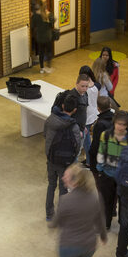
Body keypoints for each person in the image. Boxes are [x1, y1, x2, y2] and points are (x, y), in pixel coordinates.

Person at [44, 93, 82, 221]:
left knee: (51, 185)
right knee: (63, 189)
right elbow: (77, 146)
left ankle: (49, 214)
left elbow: (45, 135)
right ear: (75, 110)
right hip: (65, 163)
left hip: (51, 159)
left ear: (63, 106)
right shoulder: (74, 127)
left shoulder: (50, 119)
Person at [95, 110, 128, 230]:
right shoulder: (105, 135)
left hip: (123, 177)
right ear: (114, 122)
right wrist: (100, 170)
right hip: (107, 174)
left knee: (124, 204)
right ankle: (105, 224)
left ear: (127, 125)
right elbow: (101, 152)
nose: (121, 127)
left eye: (124, 124)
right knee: (106, 201)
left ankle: (124, 227)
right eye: (118, 123)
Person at [88, 96, 114, 176]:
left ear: (98, 108)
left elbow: (96, 142)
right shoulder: (115, 117)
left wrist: (91, 153)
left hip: (100, 155)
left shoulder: (100, 124)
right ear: (110, 105)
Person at [32, 4, 56, 74]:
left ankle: (41, 68)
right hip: (48, 37)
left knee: (41, 53)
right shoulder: (49, 15)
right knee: (49, 52)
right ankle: (48, 66)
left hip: (39, 38)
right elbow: (52, 23)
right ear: (46, 9)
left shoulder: (36, 16)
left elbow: (33, 25)